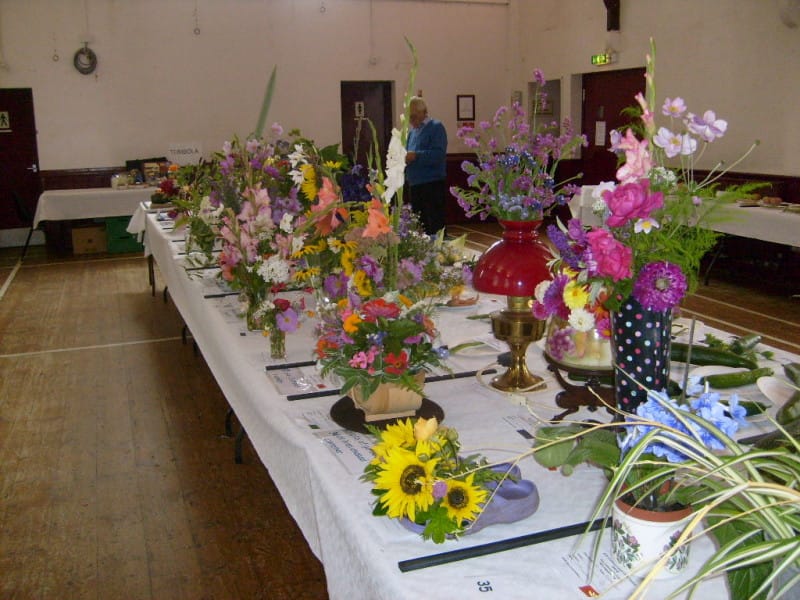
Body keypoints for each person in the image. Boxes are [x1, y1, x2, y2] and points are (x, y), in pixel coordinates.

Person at [405, 96, 447, 235]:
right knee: (419, 226)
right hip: (415, 184)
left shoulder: (436, 127)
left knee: (434, 225)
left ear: (423, 112)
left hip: (432, 184)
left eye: (413, 117)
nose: (411, 121)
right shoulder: (412, 133)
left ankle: (438, 248)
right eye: (409, 117)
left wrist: (416, 155)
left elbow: (438, 155)